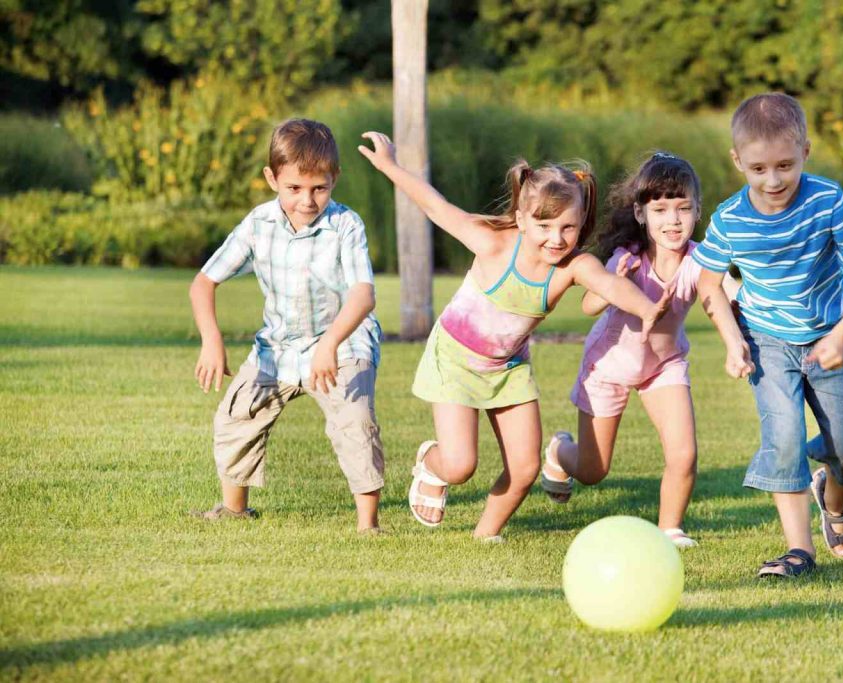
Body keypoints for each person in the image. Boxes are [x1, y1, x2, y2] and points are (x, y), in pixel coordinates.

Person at [358, 131, 672, 542]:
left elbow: (609, 284)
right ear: (522, 219)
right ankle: (433, 465)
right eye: (544, 225)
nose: (556, 239)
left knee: (524, 469)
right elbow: (436, 206)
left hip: (508, 369)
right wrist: (390, 167)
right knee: (460, 464)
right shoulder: (491, 243)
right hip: (455, 360)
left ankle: (484, 535)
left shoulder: (572, 266)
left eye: (568, 227)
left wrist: (648, 308)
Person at [693, 93, 843, 577]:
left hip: (828, 339)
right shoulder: (730, 218)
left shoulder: (827, 200)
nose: (773, 180)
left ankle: (835, 500)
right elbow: (707, 282)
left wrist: (842, 335)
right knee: (782, 437)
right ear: (738, 161)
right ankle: (800, 550)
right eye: (758, 169)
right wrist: (733, 340)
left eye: (785, 164)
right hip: (767, 342)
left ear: (806, 152)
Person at [189, 118, 385, 534]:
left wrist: (331, 342)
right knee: (237, 414)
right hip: (277, 348)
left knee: (354, 421)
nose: (307, 200)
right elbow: (204, 282)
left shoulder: (346, 226)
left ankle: (369, 525)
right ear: (272, 178)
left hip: (343, 343)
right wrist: (211, 339)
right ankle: (234, 510)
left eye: (320, 188)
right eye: (294, 188)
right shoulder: (258, 224)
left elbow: (363, 295)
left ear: (335, 179)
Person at [541, 152, 738, 549]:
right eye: (661, 209)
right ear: (640, 212)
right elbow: (588, 306)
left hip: (663, 366)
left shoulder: (700, 260)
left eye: (683, 208)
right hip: (608, 366)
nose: (673, 220)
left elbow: (726, 293)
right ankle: (559, 451)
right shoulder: (627, 258)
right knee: (594, 470)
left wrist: (746, 323)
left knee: (684, 453)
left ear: (698, 210)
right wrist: (612, 281)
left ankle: (670, 529)